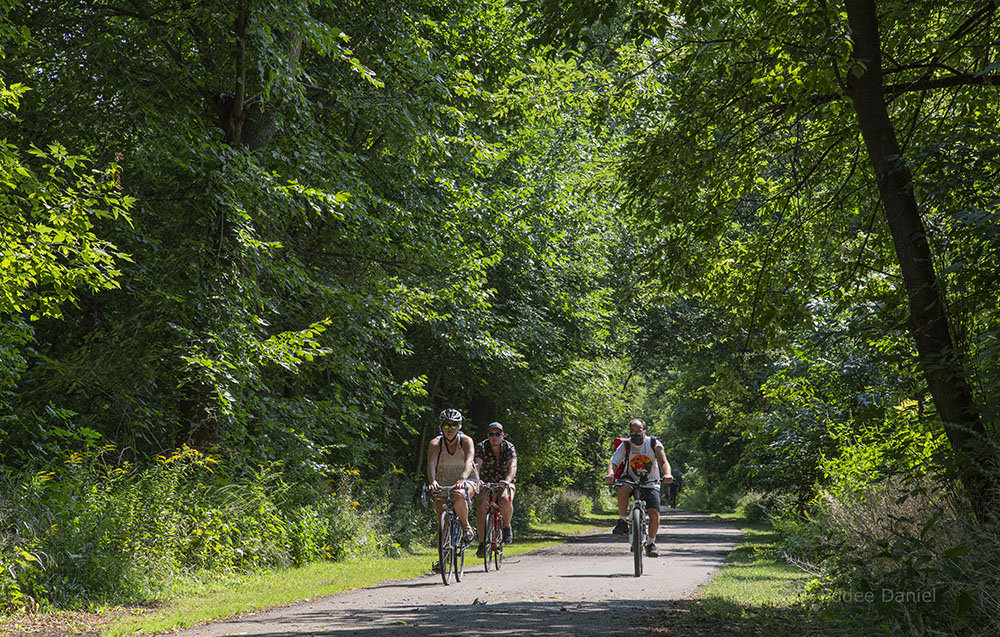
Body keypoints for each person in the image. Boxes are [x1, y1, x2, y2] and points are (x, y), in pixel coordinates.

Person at [604, 417, 672, 558]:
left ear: (644, 431)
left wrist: (667, 474)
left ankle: (651, 543)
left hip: (650, 481)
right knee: (622, 486)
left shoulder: (653, 443)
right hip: (631, 479)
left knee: (654, 513)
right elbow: (614, 462)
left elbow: (663, 462)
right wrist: (610, 473)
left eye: (639, 431)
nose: (636, 434)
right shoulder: (626, 445)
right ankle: (622, 521)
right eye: (633, 431)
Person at [427, 408, 477, 572]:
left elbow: (469, 461)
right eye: (446, 425)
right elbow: (432, 464)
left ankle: (466, 527)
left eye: (454, 425)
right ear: (441, 427)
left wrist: (463, 478)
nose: (450, 428)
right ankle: (443, 559)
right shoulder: (435, 443)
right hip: (443, 481)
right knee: (442, 520)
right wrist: (433, 481)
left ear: (459, 426)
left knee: (458, 494)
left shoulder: (466, 441)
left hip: (466, 478)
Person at [474, 421, 517, 557]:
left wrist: (507, 481)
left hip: (504, 483)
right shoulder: (482, 446)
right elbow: (477, 464)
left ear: (502, 435)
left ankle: (507, 527)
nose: (494, 437)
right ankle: (482, 543)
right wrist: (477, 479)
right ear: (488, 435)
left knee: (504, 499)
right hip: (486, 483)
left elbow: (513, 466)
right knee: (481, 506)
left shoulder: (508, 447)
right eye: (491, 434)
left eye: (497, 434)